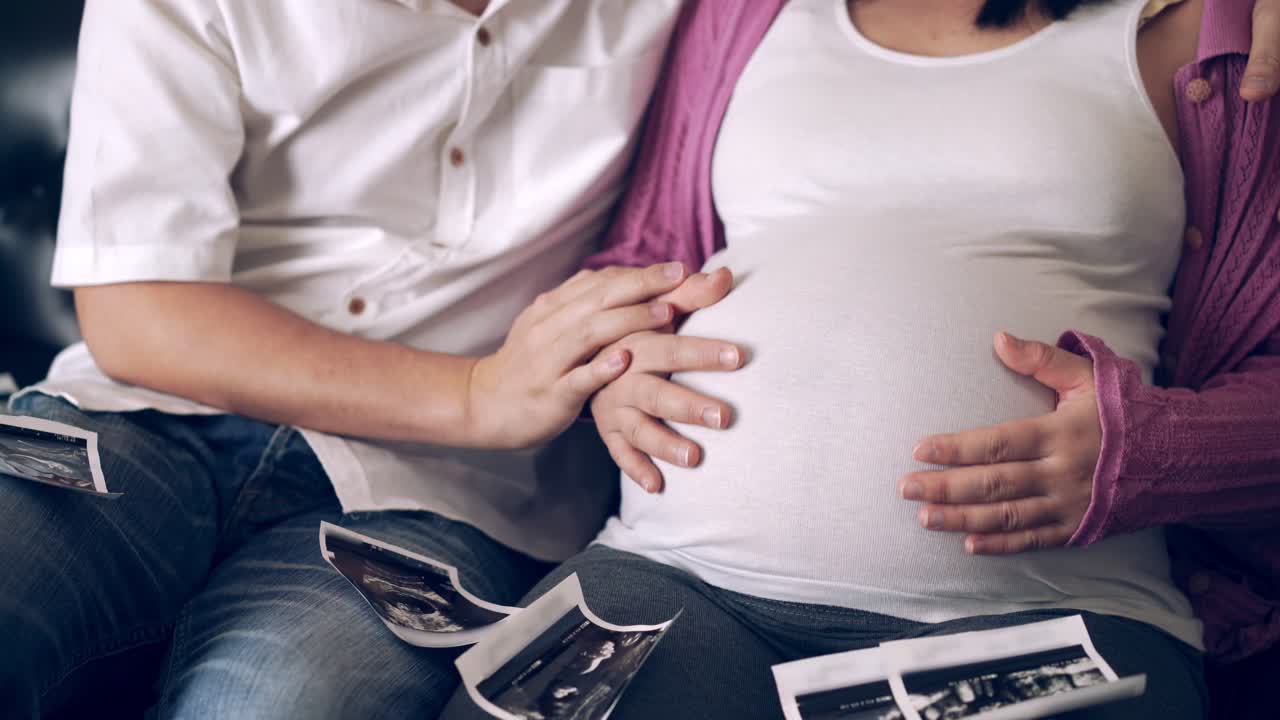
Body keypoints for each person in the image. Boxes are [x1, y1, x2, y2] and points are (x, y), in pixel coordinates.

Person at [440, 0, 1280, 718]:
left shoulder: (1219, 35)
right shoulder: (741, 14)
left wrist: (1156, 452)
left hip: (1049, 618)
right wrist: (617, 363)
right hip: (672, 577)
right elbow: (642, 256)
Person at [0, 1, 748, 717]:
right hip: (143, 416)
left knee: (278, 704)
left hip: (444, 493)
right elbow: (137, 314)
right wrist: (474, 395)